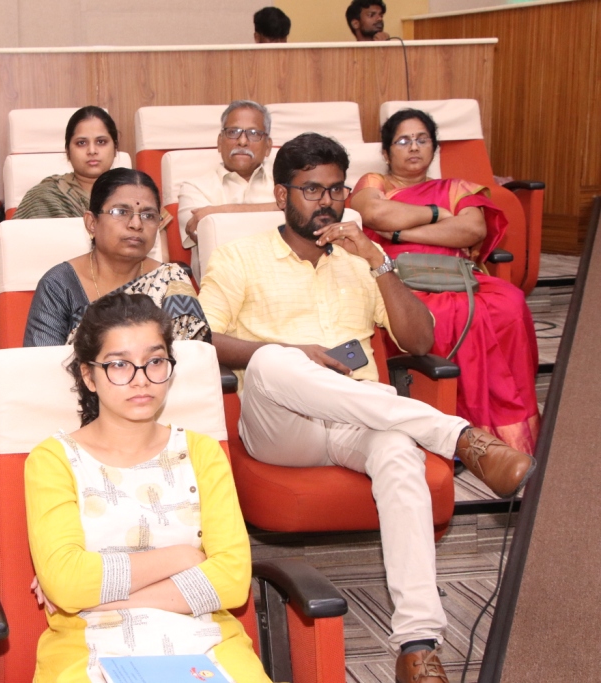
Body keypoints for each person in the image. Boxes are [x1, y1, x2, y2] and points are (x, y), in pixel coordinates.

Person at [197, 132, 535, 682]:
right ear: (282, 195)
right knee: (276, 361)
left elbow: (420, 341)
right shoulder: (239, 257)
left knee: (399, 450)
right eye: (311, 190)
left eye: (336, 190)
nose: (326, 202)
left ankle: (418, 647)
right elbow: (200, 338)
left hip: (360, 421)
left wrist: (380, 263)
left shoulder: (362, 261)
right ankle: (458, 436)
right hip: (281, 426)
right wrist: (293, 352)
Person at [25, 293, 268, 683]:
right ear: (88, 376)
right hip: (90, 642)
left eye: (155, 361)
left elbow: (233, 581)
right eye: (119, 365)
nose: (141, 379)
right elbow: (68, 582)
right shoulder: (53, 460)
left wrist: (102, 597)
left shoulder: (202, 453)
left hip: (205, 637)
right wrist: (185, 557)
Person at [350, 109, 540, 453]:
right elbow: (375, 213)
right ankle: (445, 426)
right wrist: (438, 214)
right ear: (386, 152)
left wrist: (400, 232)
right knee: (436, 314)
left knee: (509, 303)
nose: (414, 147)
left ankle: (501, 431)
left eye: (422, 140)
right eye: (403, 141)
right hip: (397, 279)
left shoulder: (457, 187)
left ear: (434, 148)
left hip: (456, 275)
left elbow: (472, 229)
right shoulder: (375, 183)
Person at [24, 168, 209, 347]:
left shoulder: (171, 280)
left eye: (148, 215)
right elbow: (42, 363)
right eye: (120, 212)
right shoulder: (59, 284)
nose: (136, 224)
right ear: (91, 222)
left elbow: (193, 360)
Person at [177, 100, 280, 276]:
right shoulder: (194, 188)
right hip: (223, 285)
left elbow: (304, 216)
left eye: (254, 133)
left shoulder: (283, 183)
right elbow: (205, 235)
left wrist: (218, 212)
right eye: (233, 132)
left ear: (268, 147)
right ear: (219, 142)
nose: (242, 141)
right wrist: (279, 210)